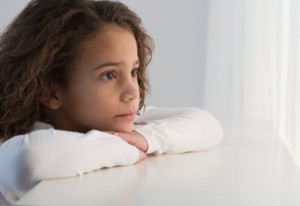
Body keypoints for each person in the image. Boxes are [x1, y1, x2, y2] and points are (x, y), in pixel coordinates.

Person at [0, 0, 223, 204]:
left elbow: (207, 124)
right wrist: (129, 148)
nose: (132, 92)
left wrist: (144, 138)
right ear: (52, 92)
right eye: (109, 75)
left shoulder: (108, 119)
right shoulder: (17, 143)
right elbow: (31, 158)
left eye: (134, 71)